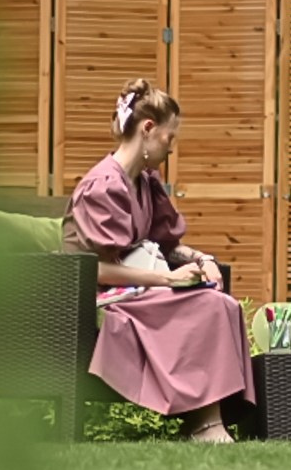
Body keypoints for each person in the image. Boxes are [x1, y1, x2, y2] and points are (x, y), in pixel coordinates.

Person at [65, 78, 256, 443]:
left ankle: (208, 420)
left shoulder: (144, 182)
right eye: (171, 137)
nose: (172, 147)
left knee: (222, 303)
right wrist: (170, 281)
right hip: (96, 297)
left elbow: (165, 243)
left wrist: (201, 260)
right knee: (209, 306)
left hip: (136, 289)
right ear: (148, 129)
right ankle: (205, 426)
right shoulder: (103, 185)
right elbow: (98, 269)